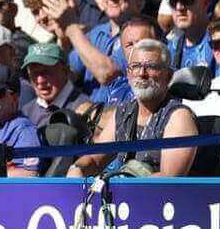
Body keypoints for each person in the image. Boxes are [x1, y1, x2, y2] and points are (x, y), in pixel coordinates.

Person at [68, 39, 198, 178]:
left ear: (169, 76)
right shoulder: (123, 112)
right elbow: (94, 159)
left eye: (151, 67)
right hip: (122, 193)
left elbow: (168, 179)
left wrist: (118, 186)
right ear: (128, 74)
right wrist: (77, 169)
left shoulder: (178, 117)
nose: (142, 73)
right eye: (135, 66)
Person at [19, 42, 90, 127]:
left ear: (66, 71)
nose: (40, 80)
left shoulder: (85, 109)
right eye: (34, 73)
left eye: (47, 72)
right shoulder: (25, 112)